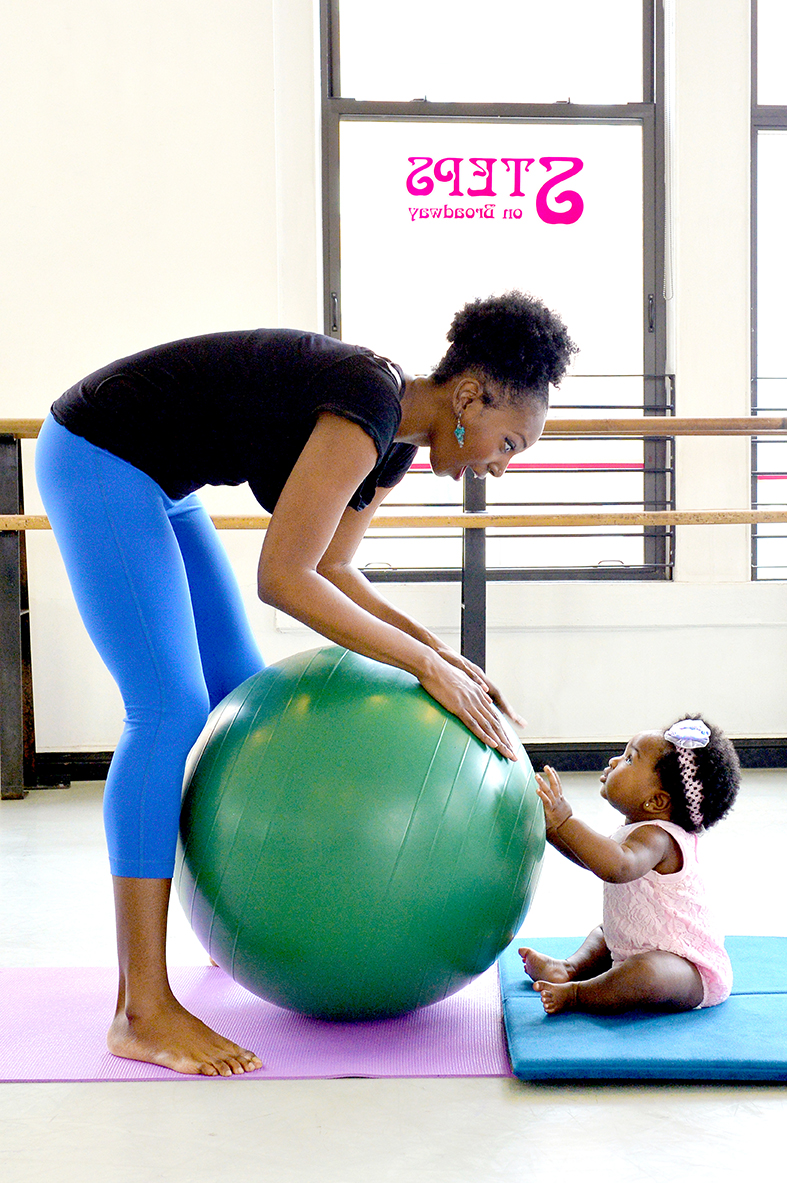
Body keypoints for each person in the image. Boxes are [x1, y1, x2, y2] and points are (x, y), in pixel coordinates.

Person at [35, 290, 577, 1076]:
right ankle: (141, 1008)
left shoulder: (391, 443)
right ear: (467, 396)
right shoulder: (367, 402)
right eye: (509, 442)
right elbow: (284, 577)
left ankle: (234, 920)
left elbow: (334, 567)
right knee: (169, 709)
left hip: (166, 481)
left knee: (239, 693)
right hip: (100, 453)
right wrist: (421, 664)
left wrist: (441, 653)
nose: (500, 463)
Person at [519, 716, 740, 1015]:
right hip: (637, 945)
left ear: (656, 802)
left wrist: (566, 822)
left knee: (647, 973)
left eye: (629, 759)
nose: (613, 761)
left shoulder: (659, 839)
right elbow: (595, 861)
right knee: (604, 934)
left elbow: (617, 867)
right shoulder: (637, 833)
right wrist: (553, 831)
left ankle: (576, 994)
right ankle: (568, 968)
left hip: (687, 969)